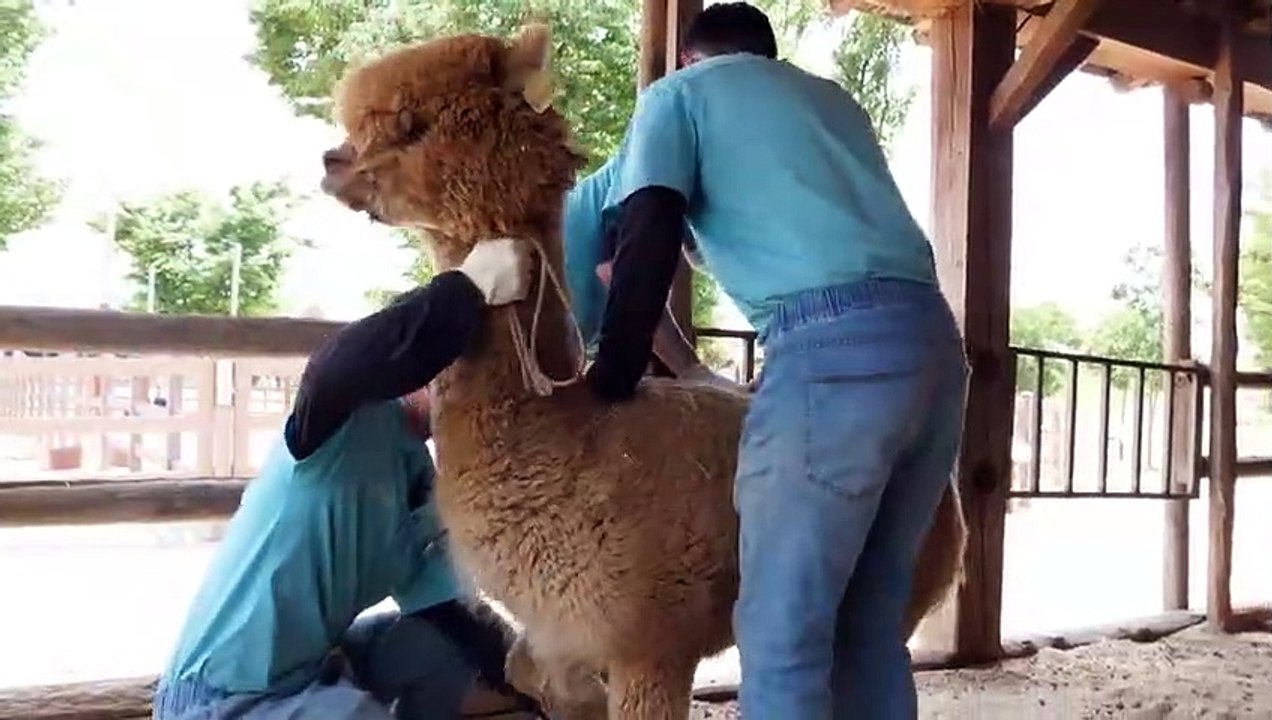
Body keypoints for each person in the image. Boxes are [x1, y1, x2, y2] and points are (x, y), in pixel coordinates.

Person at [584, 4, 969, 719]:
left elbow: (649, 230)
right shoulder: (829, 101)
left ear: (694, 60)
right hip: (933, 347)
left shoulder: (677, 97)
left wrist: (611, 376)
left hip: (830, 354)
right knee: (868, 625)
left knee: (782, 633)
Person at [153, 238, 544, 720]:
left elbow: (454, 615)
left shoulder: (424, 490)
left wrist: (542, 685)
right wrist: (464, 290)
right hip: (217, 700)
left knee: (435, 648)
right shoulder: (344, 421)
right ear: (430, 367)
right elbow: (335, 367)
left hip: (311, 675)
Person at [563, 155, 735, 387]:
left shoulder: (674, 186)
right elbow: (627, 285)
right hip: (530, 336)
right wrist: (694, 371)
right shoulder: (646, 169)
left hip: (562, 344)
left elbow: (701, 258)